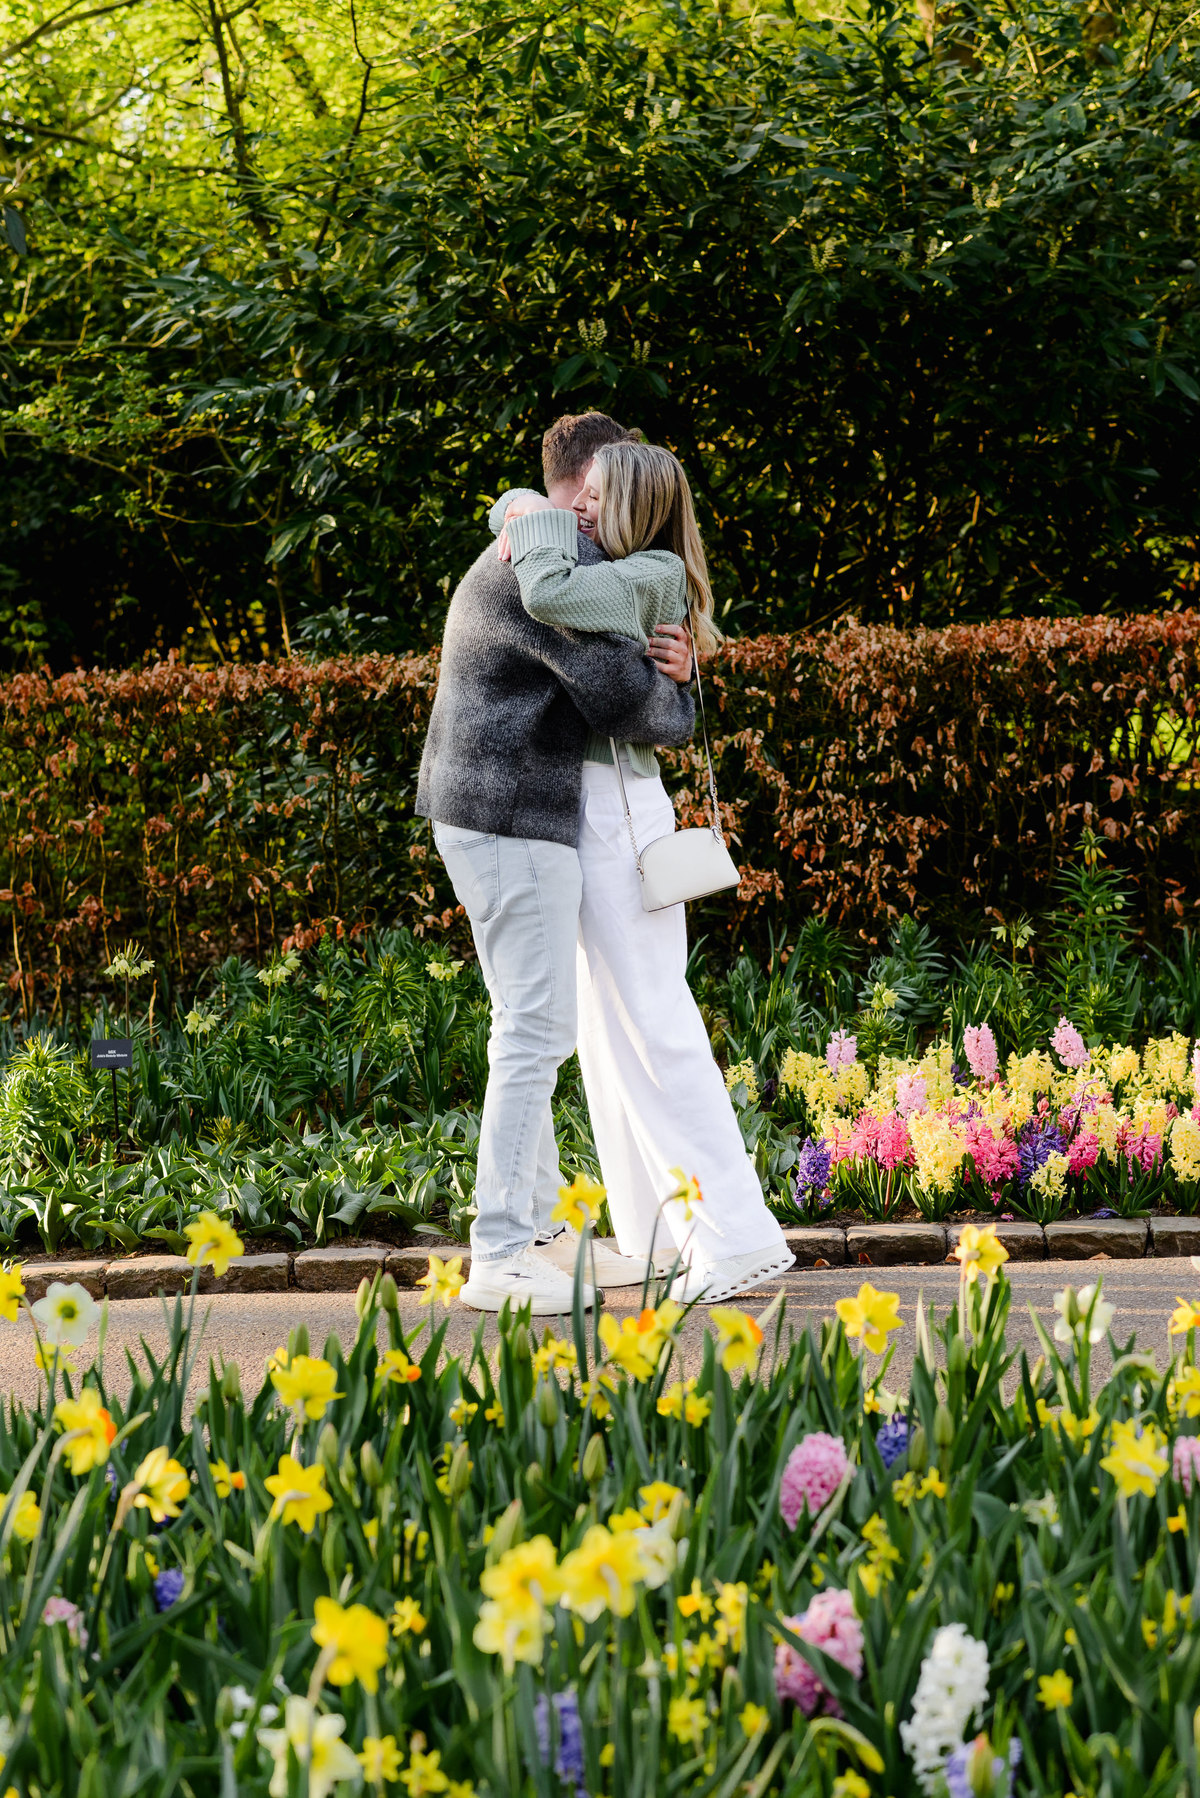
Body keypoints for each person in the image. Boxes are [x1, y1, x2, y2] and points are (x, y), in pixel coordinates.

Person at [499, 441, 794, 1304]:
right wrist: (519, 503)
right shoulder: (625, 568)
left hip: (619, 815)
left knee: (656, 1024)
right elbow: (528, 518)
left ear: (633, 507)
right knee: (606, 1034)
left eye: (595, 499)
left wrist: (529, 515)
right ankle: (664, 1236)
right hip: (585, 808)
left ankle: (735, 1239)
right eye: (576, 496)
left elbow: (547, 590)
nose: (579, 511)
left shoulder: (647, 574)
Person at [416, 413, 696, 1316]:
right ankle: (498, 1251)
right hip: (512, 817)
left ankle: (533, 1231)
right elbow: (627, 702)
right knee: (536, 1030)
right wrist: (680, 690)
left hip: (484, 813)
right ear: (585, 492)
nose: (606, 511)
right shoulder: (546, 571)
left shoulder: (528, 549)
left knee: (527, 1022)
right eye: (606, 492)